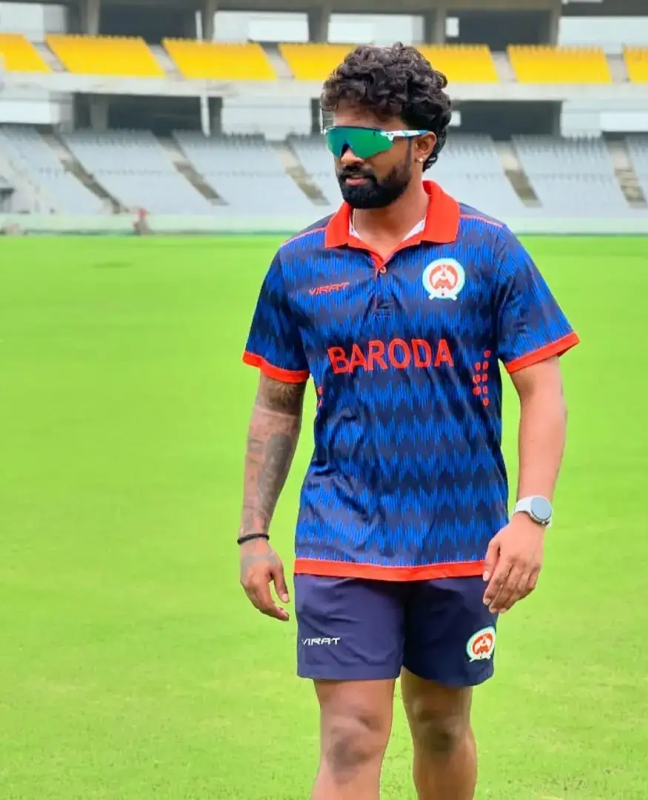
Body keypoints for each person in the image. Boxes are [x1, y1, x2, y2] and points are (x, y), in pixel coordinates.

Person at [237, 43, 579, 800]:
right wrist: (253, 533)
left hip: (460, 537)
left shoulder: (489, 250)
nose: (347, 155)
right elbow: (275, 404)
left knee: (441, 724)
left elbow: (542, 390)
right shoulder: (298, 263)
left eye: (367, 137)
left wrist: (531, 516)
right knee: (351, 734)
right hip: (341, 535)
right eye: (337, 135)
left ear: (423, 144)